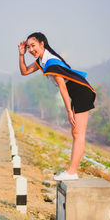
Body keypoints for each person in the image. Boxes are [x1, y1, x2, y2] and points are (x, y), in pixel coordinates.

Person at [18, 32, 96, 181]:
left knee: (78, 133)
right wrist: (21, 55)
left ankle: (72, 172)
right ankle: (72, 171)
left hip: (81, 92)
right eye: (28, 47)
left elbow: (63, 87)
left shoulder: (51, 62)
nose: (30, 49)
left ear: (42, 44)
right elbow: (24, 72)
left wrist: (68, 111)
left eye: (33, 45)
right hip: (77, 93)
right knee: (76, 133)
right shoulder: (42, 60)